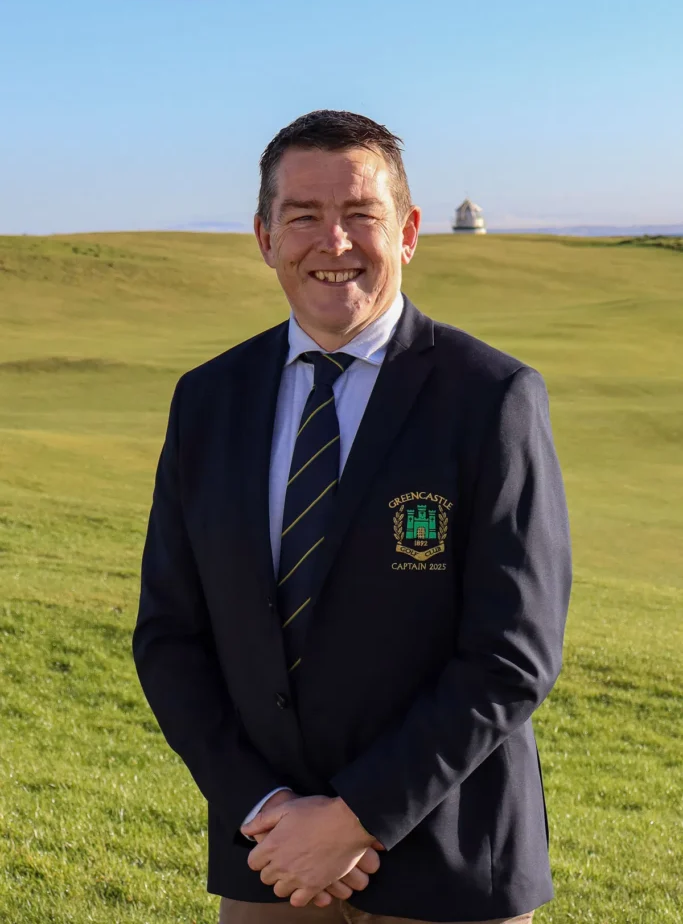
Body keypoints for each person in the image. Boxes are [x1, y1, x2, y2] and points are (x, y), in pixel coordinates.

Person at [133, 110, 572, 924]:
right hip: (269, 863)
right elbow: (169, 636)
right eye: (302, 216)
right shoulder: (207, 400)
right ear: (265, 237)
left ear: (406, 232)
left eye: (359, 215)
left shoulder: (492, 398)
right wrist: (265, 810)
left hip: (451, 861)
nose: (332, 243)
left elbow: (511, 654)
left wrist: (354, 818)